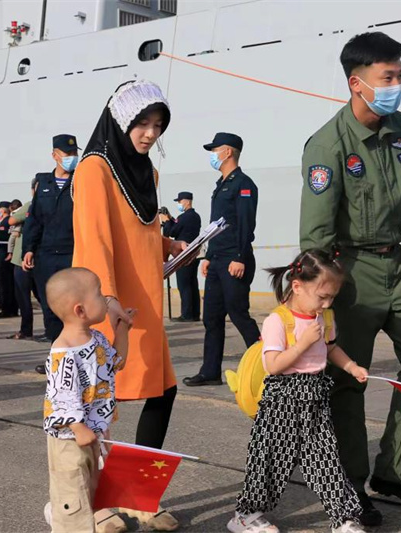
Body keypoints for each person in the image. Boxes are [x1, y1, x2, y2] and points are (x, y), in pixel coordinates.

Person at [299, 32, 401, 525]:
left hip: (399, 266)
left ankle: (395, 473)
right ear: (357, 83)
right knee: (347, 380)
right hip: (349, 272)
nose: (398, 85)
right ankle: (350, 484)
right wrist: (317, 304)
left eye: (400, 75)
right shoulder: (328, 145)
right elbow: (316, 235)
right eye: (389, 77)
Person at [71, 79, 184, 530]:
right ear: (120, 120)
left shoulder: (147, 173)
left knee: (162, 391)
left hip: (145, 306)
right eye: (142, 123)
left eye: (157, 126)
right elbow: (96, 239)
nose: (149, 134)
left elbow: (139, 231)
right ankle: (96, 507)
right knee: (100, 406)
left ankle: (138, 495)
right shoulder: (94, 169)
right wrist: (109, 303)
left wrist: (169, 243)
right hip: (108, 303)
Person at [230, 249, 367, 533]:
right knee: (270, 459)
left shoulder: (324, 319)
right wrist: (303, 343)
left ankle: (344, 518)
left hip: (315, 396)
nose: (326, 303)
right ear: (297, 286)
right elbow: (273, 365)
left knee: (326, 459)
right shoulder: (278, 321)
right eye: (322, 296)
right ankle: (246, 516)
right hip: (283, 398)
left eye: (331, 298)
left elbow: (331, 349)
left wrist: (352, 366)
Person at [42, 267, 131, 533]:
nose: (105, 299)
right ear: (80, 310)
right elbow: (62, 394)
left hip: (96, 430)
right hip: (70, 436)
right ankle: (66, 522)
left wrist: (122, 331)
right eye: (99, 294)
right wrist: (78, 427)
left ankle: (60, 512)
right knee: (72, 489)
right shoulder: (63, 350)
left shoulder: (97, 338)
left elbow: (116, 362)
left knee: (93, 485)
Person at [184, 133, 260, 387]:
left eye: (214, 150)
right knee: (211, 318)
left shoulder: (243, 184)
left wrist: (239, 257)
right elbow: (217, 226)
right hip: (217, 260)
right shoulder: (222, 183)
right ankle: (210, 371)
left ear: (227, 152)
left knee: (239, 314)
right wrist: (208, 256)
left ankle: (268, 365)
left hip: (234, 259)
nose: (212, 155)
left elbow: (245, 225)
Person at [22, 134, 78, 350]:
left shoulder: (81, 181)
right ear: (55, 155)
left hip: (71, 253)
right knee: (50, 307)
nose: (72, 157)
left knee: (73, 308)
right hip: (45, 256)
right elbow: (34, 219)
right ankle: (57, 356)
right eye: (67, 153)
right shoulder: (43, 183)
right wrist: (29, 249)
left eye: (74, 153)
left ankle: (75, 357)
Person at [160, 191, 202, 322]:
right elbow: (178, 226)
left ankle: (187, 314)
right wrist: (171, 218)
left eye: (180, 201)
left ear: (187, 201)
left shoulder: (185, 217)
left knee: (184, 284)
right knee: (192, 283)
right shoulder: (195, 216)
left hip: (183, 253)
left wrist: (166, 222)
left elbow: (170, 232)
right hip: (193, 252)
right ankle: (195, 313)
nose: (179, 204)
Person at [7, 196, 33, 339]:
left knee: (23, 296)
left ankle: (26, 330)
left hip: (21, 258)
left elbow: (12, 220)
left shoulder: (31, 204)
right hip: (39, 256)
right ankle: (52, 330)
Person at [0, 200, 19, 319]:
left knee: (6, 284)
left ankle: (7, 309)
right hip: (11, 256)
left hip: (5, 256)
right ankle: (13, 308)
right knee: (12, 284)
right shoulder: (12, 221)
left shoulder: (5, 222)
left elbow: (4, 239)